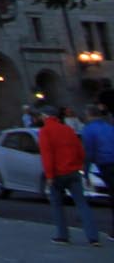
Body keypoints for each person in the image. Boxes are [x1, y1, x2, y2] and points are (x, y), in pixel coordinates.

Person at [40, 105, 102, 246]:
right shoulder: (68, 129)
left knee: (57, 204)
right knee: (82, 204)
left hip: (57, 173)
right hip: (73, 171)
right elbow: (80, 150)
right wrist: (80, 166)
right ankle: (93, 237)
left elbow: (47, 155)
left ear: (45, 117)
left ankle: (63, 235)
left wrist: (49, 176)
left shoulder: (45, 131)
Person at [81, 102, 114, 238]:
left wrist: (86, 172)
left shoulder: (88, 130)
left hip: (106, 164)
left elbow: (89, 153)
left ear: (89, 115)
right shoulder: (109, 127)